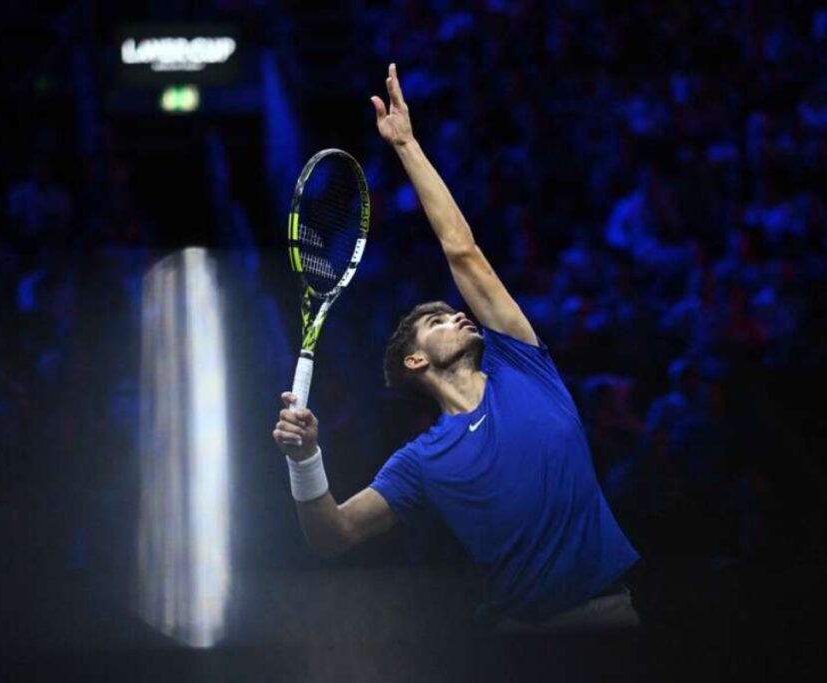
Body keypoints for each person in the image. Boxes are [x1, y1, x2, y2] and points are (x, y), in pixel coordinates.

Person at [273, 64, 641, 632]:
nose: (459, 315)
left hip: (609, 617)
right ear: (414, 360)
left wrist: (407, 146)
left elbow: (461, 249)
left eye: (454, 311)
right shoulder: (420, 463)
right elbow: (333, 536)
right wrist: (305, 460)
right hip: (518, 645)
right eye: (439, 320)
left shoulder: (524, 365)